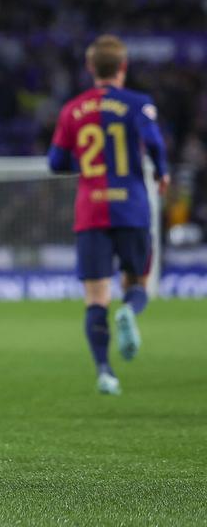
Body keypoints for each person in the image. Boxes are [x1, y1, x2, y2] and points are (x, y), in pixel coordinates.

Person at [47, 35, 169, 396]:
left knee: (96, 296)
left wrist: (83, 162)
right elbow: (156, 144)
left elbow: (56, 163)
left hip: (91, 210)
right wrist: (162, 173)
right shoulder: (139, 104)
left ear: (90, 68)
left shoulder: (72, 109)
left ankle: (104, 371)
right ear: (123, 67)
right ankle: (130, 309)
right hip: (131, 206)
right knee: (137, 284)